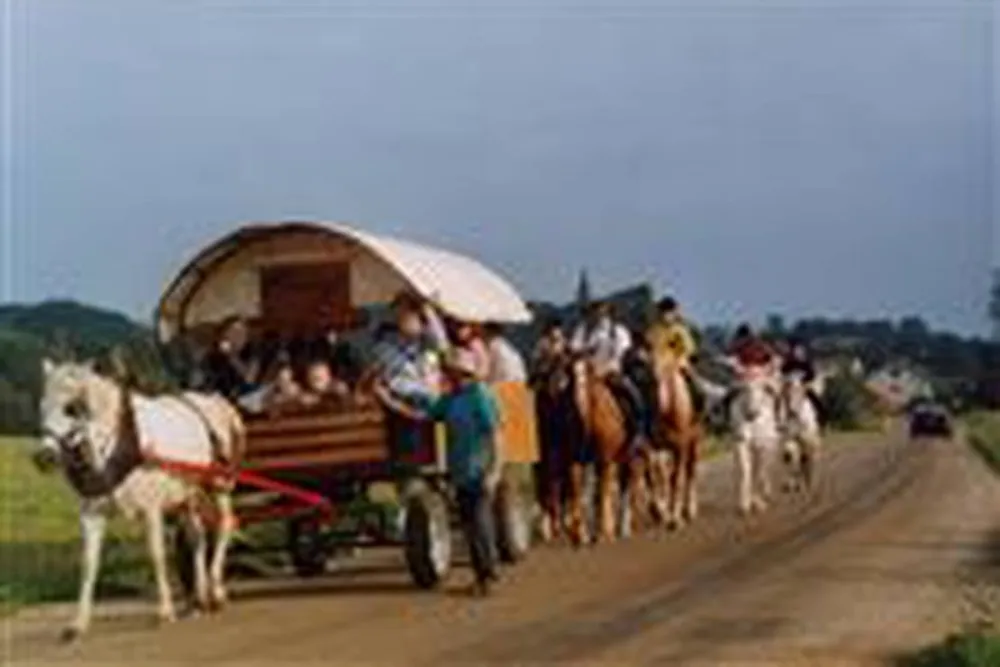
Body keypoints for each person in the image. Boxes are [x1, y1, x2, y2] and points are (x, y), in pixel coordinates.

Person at [381, 348, 504, 596]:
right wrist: (388, 400)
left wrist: (494, 470)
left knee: (479, 523)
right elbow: (422, 416)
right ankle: (485, 573)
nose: (446, 375)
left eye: (450, 371)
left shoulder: (479, 396)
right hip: (461, 472)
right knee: (471, 525)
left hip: (480, 469)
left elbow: (496, 434)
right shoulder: (450, 399)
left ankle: (487, 574)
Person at [569, 301, 647, 450]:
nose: (598, 315)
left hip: (611, 372)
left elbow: (620, 354)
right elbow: (574, 349)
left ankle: (638, 432)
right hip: (586, 375)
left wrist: (604, 368)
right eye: (595, 311)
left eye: (602, 312)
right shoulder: (582, 330)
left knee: (633, 395)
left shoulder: (618, 331)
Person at [367, 292, 451, 414]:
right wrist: (387, 398)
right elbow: (383, 382)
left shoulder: (429, 344)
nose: (402, 318)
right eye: (400, 314)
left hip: (431, 412)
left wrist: (427, 309)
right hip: (403, 413)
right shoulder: (386, 348)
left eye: (408, 313)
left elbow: (441, 341)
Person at [645, 296, 706, 415]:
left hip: (677, 365)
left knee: (697, 386)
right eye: (663, 312)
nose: (665, 316)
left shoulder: (679, 331)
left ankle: (699, 413)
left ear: (674, 313)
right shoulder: (653, 331)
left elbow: (688, 350)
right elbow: (649, 348)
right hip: (658, 367)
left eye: (668, 312)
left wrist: (679, 361)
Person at [202, 316, 261, 400]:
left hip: (244, 396)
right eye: (233, 333)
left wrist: (232, 357)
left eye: (241, 333)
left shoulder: (252, 351)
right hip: (218, 395)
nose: (237, 337)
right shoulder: (215, 353)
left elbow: (249, 378)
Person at [781, 337, 825, 426]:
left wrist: (804, 382)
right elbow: (782, 375)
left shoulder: (805, 364)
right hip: (789, 388)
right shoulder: (787, 364)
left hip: (802, 387)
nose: (796, 353)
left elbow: (811, 375)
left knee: (814, 398)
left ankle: (821, 417)